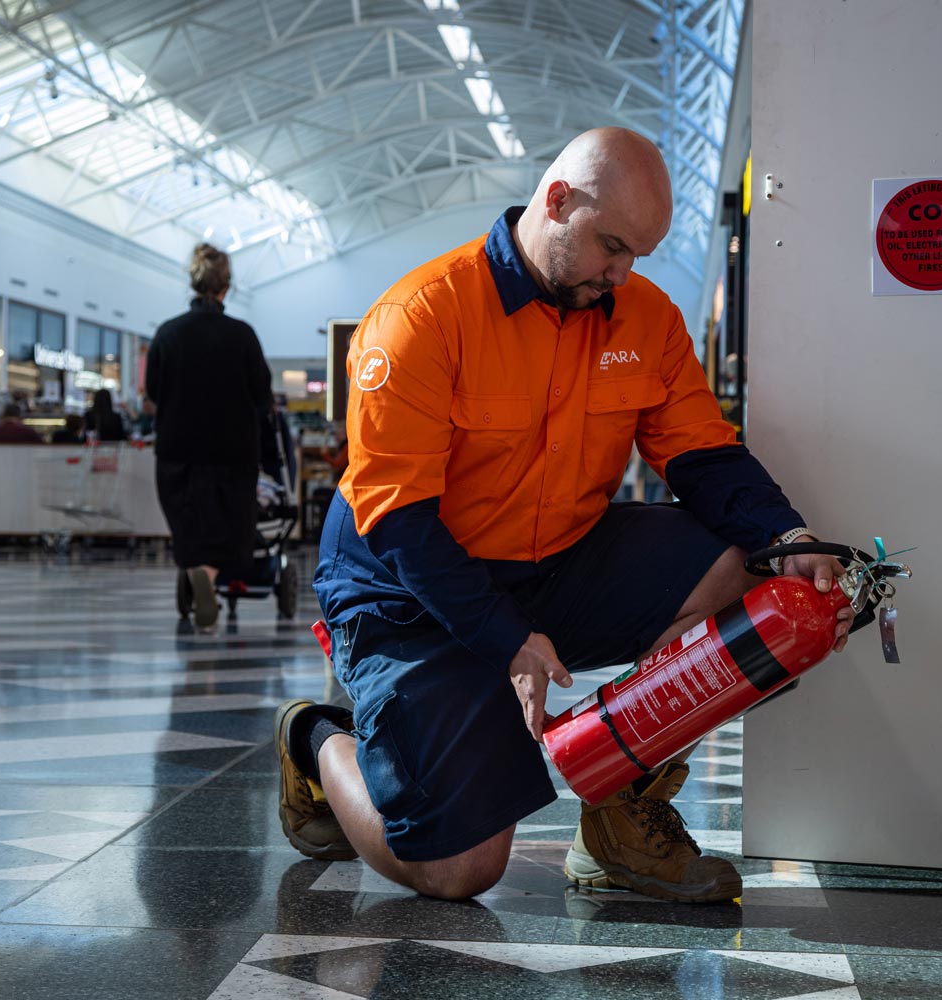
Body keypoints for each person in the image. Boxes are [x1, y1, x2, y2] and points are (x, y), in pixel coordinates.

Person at [278, 128, 854, 904]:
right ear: (557, 202)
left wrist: (788, 539)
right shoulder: (421, 317)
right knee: (459, 871)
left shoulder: (642, 317)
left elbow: (701, 454)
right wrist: (505, 640)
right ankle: (316, 739)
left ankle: (620, 809)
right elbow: (403, 521)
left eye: (638, 257)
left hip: (556, 560)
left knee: (742, 566)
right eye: (610, 246)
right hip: (411, 589)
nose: (620, 274)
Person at [145, 242, 272, 631]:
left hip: (177, 448)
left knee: (187, 520)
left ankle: (198, 569)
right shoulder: (242, 335)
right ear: (226, 287)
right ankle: (211, 574)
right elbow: (262, 392)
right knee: (231, 522)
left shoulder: (167, 334)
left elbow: (152, 391)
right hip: (232, 449)